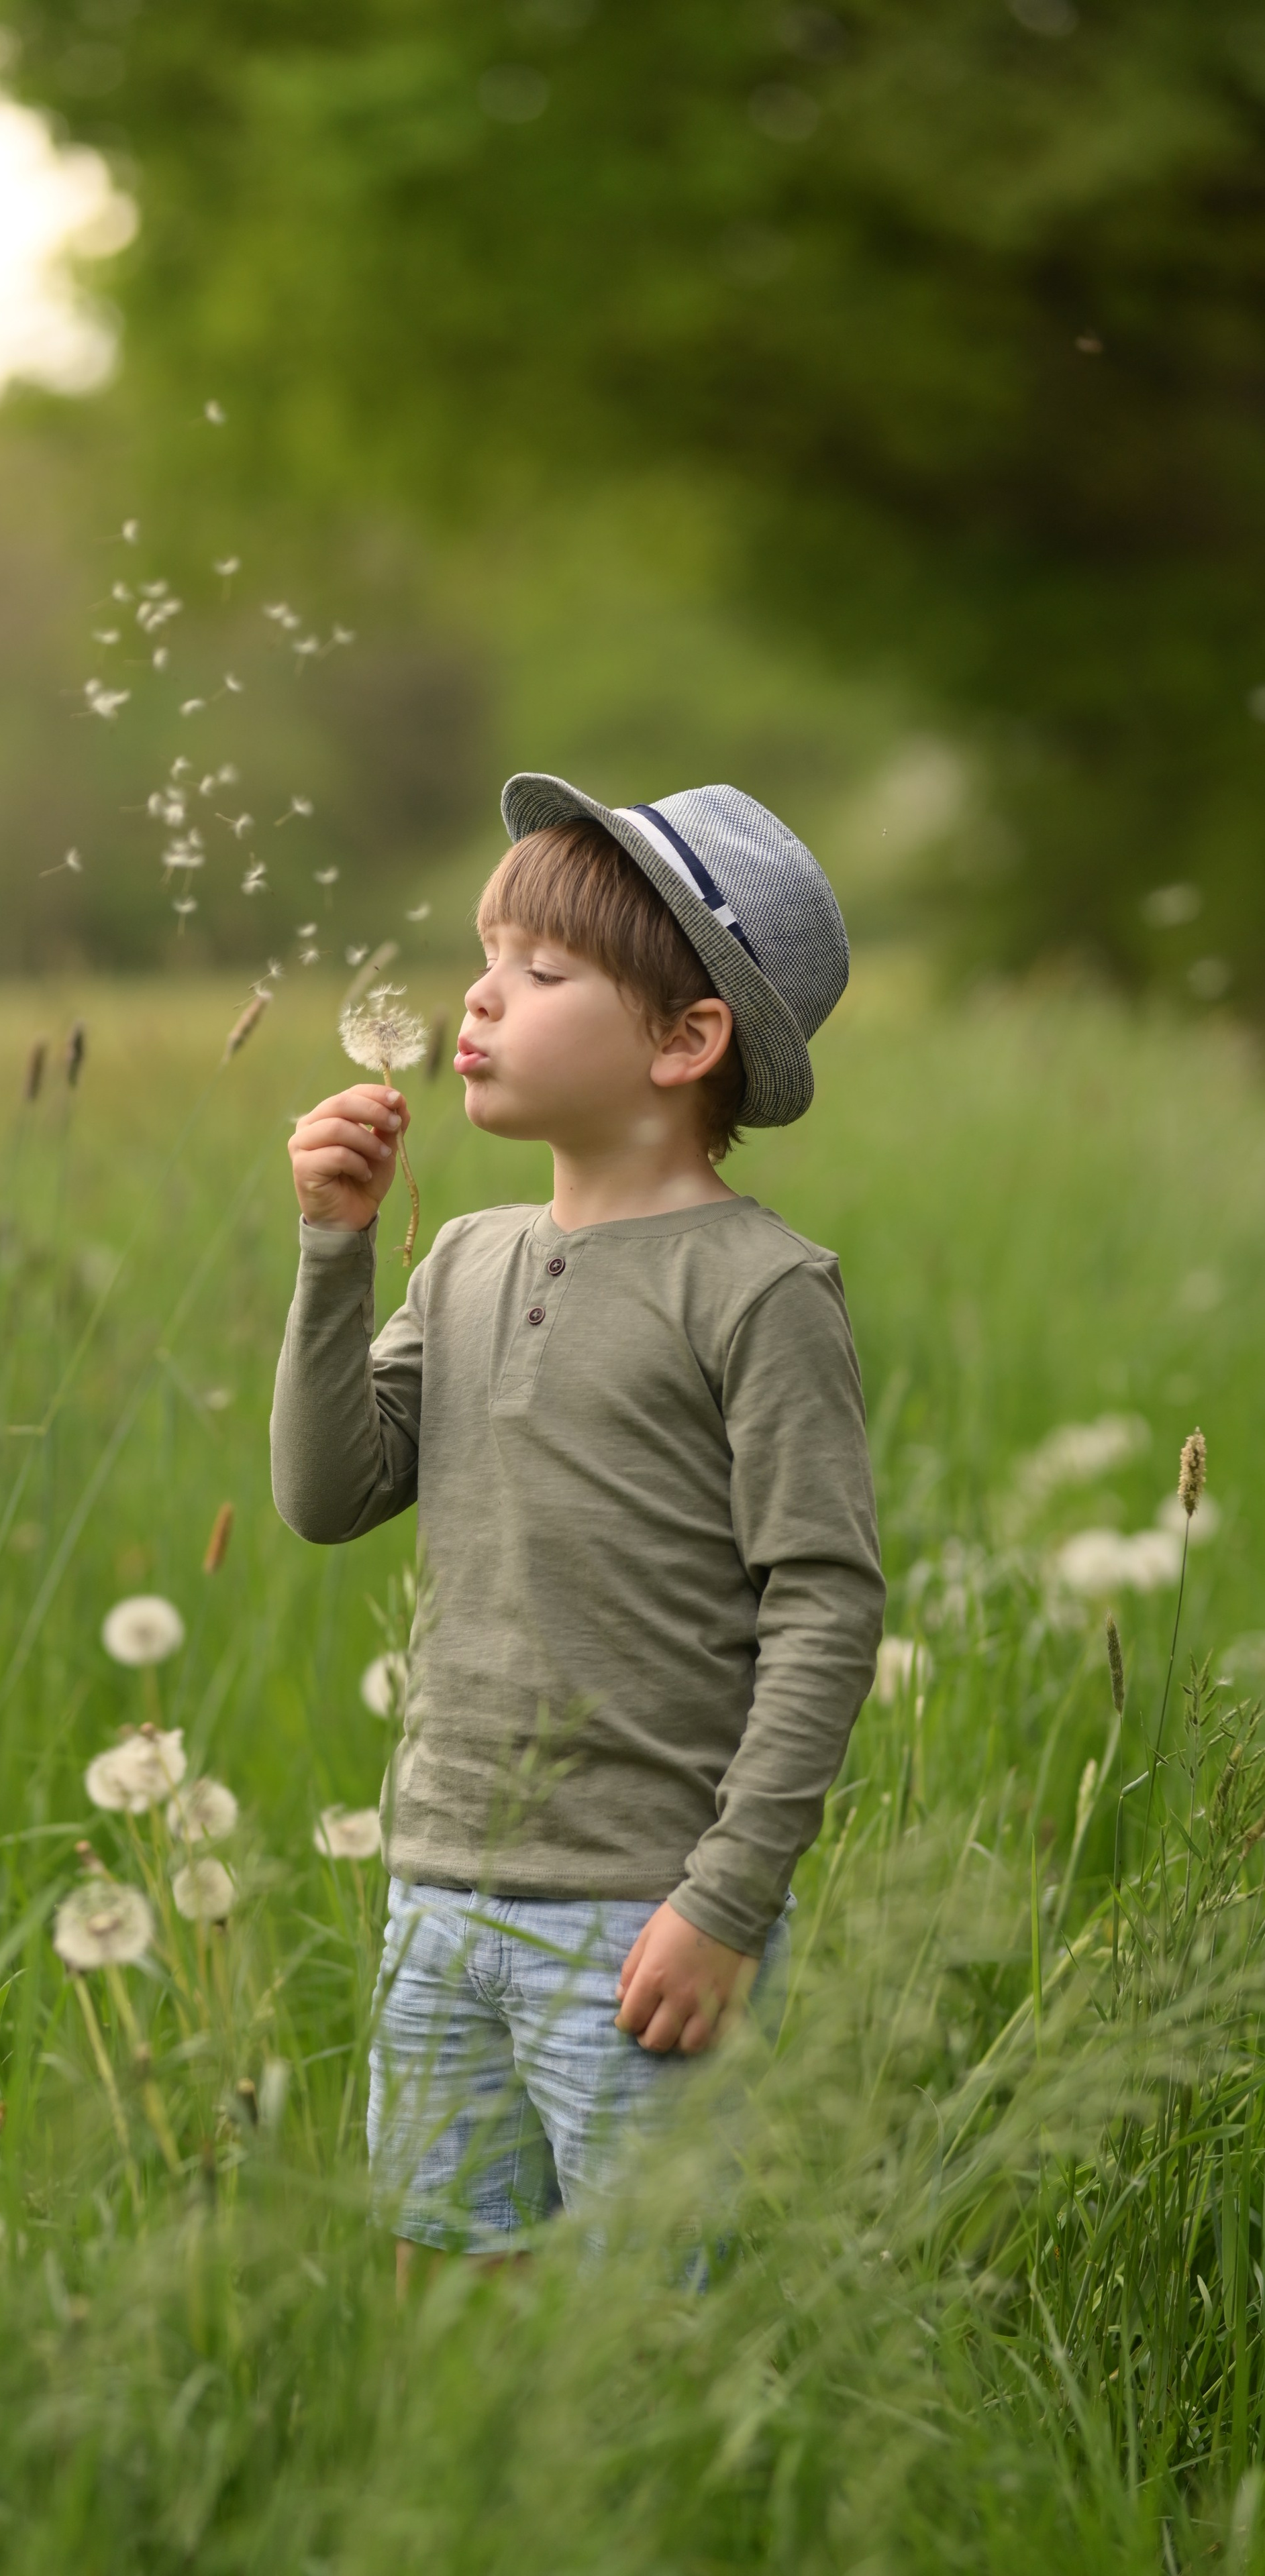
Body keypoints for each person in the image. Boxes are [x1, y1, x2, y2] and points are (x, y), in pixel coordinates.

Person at [272, 772, 886, 2284]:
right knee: (449, 2283)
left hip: (641, 1922)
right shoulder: (466, 1258)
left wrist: (724, 1900)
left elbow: (822, 1606)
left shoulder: (756, 1288)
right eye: (483, 959)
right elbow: (326, 1493)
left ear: (685, 1044)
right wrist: (332, 1253)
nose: (476, 999)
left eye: (538, 975)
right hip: (440, 1883)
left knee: (641, 2328)